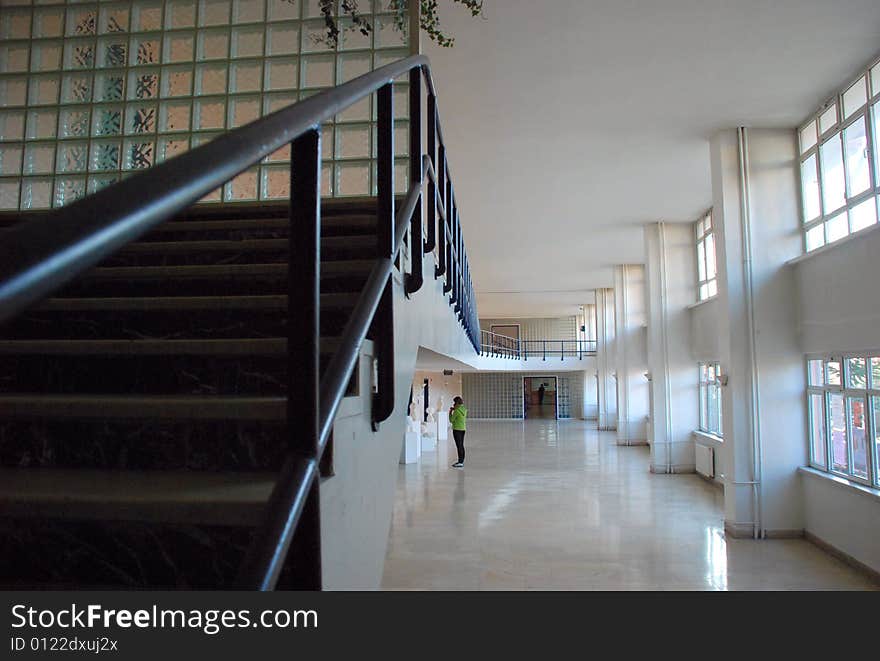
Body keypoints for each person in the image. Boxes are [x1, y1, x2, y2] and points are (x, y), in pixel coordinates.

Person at [449, 396, 468, 468]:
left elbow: (451, 420)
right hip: (463, 429)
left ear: (456, 402)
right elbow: (460, 410)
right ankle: (461, 460)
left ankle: (460, 462)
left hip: (457, 430)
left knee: (458, 446)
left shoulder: (456, 411)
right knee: (461, 445)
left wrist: (450, 412)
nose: (453, 404)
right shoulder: (464, 409)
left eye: (454, 402)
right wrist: (455, 408)